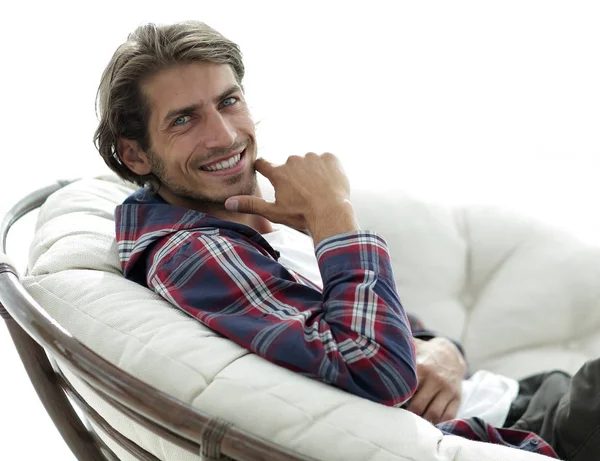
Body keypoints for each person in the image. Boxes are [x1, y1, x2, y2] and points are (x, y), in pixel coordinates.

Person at [94, 21, 599, 461]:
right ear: (135, 154)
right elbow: (377, 369)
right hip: (520, 434)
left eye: (229, 102)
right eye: (184, 119)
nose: (224, 136)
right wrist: (334, 215)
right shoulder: (195, 255)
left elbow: (392, 329)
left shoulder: (237, 227)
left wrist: (444, 350)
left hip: (522, 397)